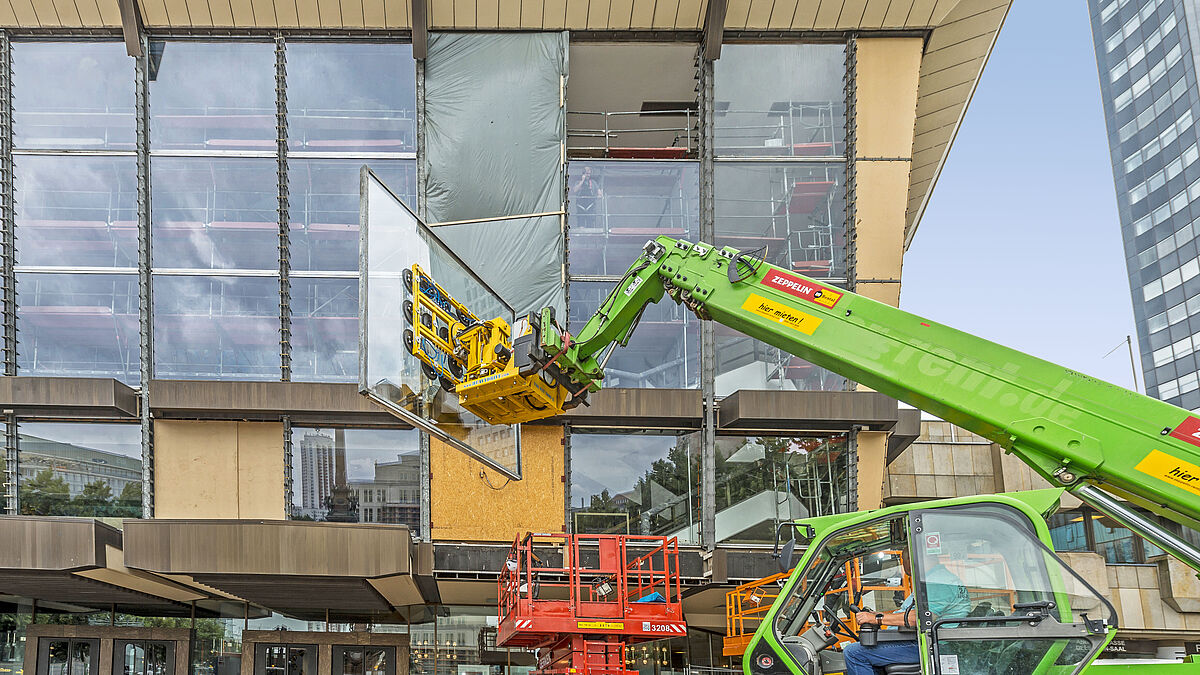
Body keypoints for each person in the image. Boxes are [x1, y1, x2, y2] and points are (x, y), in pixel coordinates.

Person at [842, 553, 971, 675]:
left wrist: (877, 618)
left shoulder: (937, 582)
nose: (904, 566)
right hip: (924, 640)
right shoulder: (936, 579)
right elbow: (912, 612)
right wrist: (878, 615)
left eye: (903, 561)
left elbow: (920, 618)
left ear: (912, 559)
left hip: (930, 645)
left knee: (854, 653)